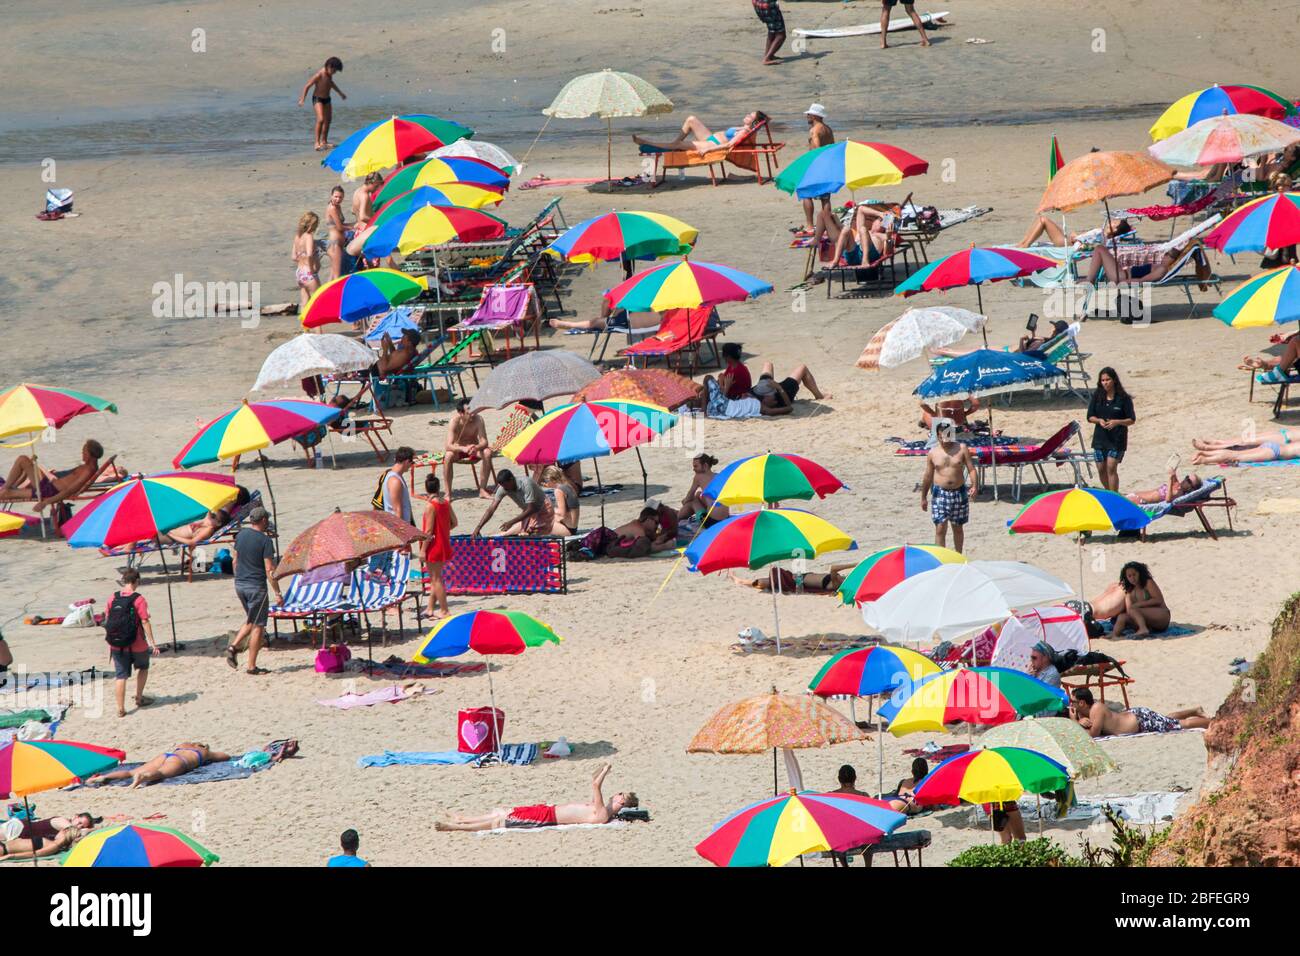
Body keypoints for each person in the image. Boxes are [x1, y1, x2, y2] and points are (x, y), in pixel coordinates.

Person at [435, 762, 637, 830]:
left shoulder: (602, 813)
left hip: (546, 818)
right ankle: (462, 819)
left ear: (621, 801)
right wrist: (600, 770)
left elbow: (595, 784)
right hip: (546, 810)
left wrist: (605, 772)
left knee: (501, 821)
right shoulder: (600, 809)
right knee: (504, 811)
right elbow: (593, 780)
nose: (615, 793)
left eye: (619, 794)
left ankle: (455, 827)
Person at [226, 506, 280, 675]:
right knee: (259, 625)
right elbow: (269, 570)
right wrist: (278, 592)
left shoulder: (241, 535)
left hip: (240, 584)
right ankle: (251, 666)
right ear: (263, 520)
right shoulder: (265, 541)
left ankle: (233, 647)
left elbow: (235, 561)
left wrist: (239, 578)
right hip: (256, 587)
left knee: (251, 619)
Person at [0, 440, 113, 519]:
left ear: (90, 454)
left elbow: (69, 490)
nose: (82, 454)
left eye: (84, 452)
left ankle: (5, 487)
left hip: (48, 491)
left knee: (22, 460)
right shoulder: (90, 468)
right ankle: (6, 487)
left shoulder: (88, 470)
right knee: (25, 463)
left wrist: (45, 502)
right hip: (49, 485)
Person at [104, 568, 160, 718]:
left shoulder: (112, 598)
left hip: (116, 644)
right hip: (137, 643)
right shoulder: (139, 599)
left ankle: (120, 709)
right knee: (143, 667)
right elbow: (145, 621)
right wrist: (153, 643)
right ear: (136, 581)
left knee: (121, 676)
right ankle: (139, 698)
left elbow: (108, 620)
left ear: (124, 581)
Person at [921, 418, 978, 552]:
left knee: (957, 527)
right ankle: (942, 559)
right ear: (938, 435)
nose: (945, 439)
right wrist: (923, 497)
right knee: (940, 527)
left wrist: (975, 486)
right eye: (942, 435)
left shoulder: (961, 448)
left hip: (959, 492)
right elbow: (928, 476)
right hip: (940, 493)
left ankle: (958, 556)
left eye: (948, 435)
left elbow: (971, 469)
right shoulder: (933, 453)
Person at [1069, 687, 1210, 738]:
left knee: (1179, 725)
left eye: (1073, 702)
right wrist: (1079, 720)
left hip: (1139, 721)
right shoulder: (1084, 711)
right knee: (1166, 720)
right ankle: (1194, 710)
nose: (1071, 705)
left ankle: (1214, 722)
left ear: (1082, 703)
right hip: (1135, 716)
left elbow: (1093, 734)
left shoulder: (1096, 709)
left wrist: (1075, 721)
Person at [86, 743, 232, 788]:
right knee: (161, 773)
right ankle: (143, 777)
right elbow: (226, 756)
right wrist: (209, 754)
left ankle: (104, 777)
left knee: (131, 771)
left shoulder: (184, 745)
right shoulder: (203, 752)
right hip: (180, 762)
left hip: (166, 755)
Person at [1086, 367, 1135, 492]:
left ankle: (1114, 496)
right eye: (1103, 380)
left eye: (1108, 380)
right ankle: (1110, 493)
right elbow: (1089, 416)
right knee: (1101, 469)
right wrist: (1099, 421)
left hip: (1117, 439)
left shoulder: (1123, 398)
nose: (1105, 383)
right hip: (1100, 438)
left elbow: (1131, 419)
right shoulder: (1097, 396)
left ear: (1114, 380)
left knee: (1111, 467)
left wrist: (1117, 422)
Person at [633, 111, 770, 154]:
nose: (746, 115)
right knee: (691, 119)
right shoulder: (743, 128)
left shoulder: (744, 132)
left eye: (749, 116)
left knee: (679, 145)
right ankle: (674, 144)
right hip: (711, 138)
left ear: (753, 122)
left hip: (710, 145)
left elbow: (728, 146)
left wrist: (708, 150)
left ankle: (646, 142)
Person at [473, 469, 555, 536]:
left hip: (543, 509)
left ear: (512, 479)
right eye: (503, 487)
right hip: (527, 512)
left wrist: (511, 522)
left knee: (537, 536)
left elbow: (532, 509)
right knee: (523, 535)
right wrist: (478, 527)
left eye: (506, 486)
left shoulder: (526, 483)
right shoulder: (503, 488)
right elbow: (491, 509)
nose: (505, 489)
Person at [420, 473, 456, 620]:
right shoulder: (446, 503)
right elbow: (454, 522)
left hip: (433, 546)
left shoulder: (430, 506)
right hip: (443, 543)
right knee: (435, 577)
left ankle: (444, 610)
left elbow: (428, 531)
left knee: (435, 579)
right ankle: (429, 608)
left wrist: (422, 550)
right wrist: (443, 531)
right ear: (439, 487)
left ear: (426, 489)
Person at [443, 399, 495, 499]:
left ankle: (482, 489)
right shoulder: (454, 422)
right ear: (460, 413)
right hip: (459, 450)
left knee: (487, 452)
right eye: (468, 413)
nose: (472, 414)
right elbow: (448, 445)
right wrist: (463, 448)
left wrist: (476, 447)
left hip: (474, 449)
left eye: (473, 411)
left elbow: (484, 441)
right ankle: (448, 493)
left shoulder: (478, 419)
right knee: (448, 455)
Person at [1105, 561, 1169, 637]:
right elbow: (1129, 611)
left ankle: (1143, 628)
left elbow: (1158, 600)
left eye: (1134, 575)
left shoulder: (1148, 583)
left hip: (1161, 616)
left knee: (1133, 609)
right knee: (1122, 616)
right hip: (1148, 620)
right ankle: (1114, 634)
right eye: (1129, 576)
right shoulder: (1129, 590)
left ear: (1140, 573)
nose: (1132, 578)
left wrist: (1138, 605)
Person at [798, 104, 835, 234]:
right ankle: (827, 224)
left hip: (816, 165)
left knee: (805, 193)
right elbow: (832, 147)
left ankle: (809, 226)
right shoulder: (828, 129)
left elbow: (817, 148)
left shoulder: (814, 130)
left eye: (808, 114)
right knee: (825, 198)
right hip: (827, 165)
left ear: (814, 116)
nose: (807, 117)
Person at [297, 56, 345, 151]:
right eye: (334, 70)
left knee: (328, 120)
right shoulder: (319, 74)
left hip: (327, 99)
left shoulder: (329, 74)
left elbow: (331, 83)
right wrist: (302, 99)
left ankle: (324, 142)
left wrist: (340, 93)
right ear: (329, 66)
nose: (335, 73)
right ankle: (316, 143)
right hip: (317, 99)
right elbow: (307, 86)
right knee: (321, 119)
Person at [729, 562, 856, 595]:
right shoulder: (839, 580)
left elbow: (833, 568)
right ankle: (742, 581)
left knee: (770, 581)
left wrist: (855, 565)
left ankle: (740, 581)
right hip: (799, 576)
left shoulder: (835, 584)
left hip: (796, 582)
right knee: (770, 580)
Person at [1017, 215, 1134, 249]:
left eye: (1115, 223)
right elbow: (1088, 241)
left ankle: (1025, 245)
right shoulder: (1104, 237)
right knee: (1043, 220)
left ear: (1115, 229)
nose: (1112, 221)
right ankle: (1023, 243)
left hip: (1065, 243)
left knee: (1043, 220)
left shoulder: (1099, 233)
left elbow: (1082, 241)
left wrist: (1075, 236)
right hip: (1068, 240)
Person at [1191, 429, 1300, 465]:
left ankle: (1207, 453)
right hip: (1275, 450)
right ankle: (1206, 457)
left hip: (1278, 444)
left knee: (1239, 450)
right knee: (1235, 455)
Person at [678, 453, 728, 526]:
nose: (693, 469)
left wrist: (684, 501)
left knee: (693, 501)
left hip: (710, 522)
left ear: (705, 466)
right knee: (699, 494)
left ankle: (677, 517)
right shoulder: (719, 476)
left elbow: (690, 495)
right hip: (725, 519)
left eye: (696, 466)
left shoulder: (699, 477)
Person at [751, 361, 830, 405]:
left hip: (763, 387)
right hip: (783, 391)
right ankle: (819, 396)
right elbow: (789, 407)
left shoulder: (750, 396)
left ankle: (767, 386)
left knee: (768, 364)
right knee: (803, 368)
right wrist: (779, 388)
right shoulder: (780, 400)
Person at [0, 822, 89, 861]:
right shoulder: (53, 843)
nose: (59, 831)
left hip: (3, 849)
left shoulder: (54, 846)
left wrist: (11, 856)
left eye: (61, 830)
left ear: (65, 832)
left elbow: (35, 854)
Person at [1126, 466, 1202, 505]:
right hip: (1136, 496)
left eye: (1188, 480)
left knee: (1116, 506)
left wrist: (1169, 480)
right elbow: (1172, 473)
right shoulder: (1177, 485)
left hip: (1141, 502)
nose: (1185, 480)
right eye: (1186, 477)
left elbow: (1168, 500)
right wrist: (1173, 468)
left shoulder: (1179, 493)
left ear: (1191, 488)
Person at [293, 212, 321, 313]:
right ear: (311, 225)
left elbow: (294, 257)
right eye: (316, 225)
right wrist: (311, 268)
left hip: (299, 272)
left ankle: (305, 327)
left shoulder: (298, 237)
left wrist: (302, 258)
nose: (316, 227)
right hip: (309, 273)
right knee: (318, 299)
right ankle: (317, 326)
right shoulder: (308, 236)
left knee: (305, 302)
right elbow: (309, 254)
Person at [325, 185, 354, 280]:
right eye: (335, 196)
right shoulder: (332, 208)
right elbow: (340, 227)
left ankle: (326, 293)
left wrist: (355, 224)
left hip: (338, 243)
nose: (338, 199)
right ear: (331, 196)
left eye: (340, 197)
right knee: (337, 276)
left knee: (333, 273)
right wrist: (353, 228)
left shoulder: (338, 206)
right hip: (334, 244)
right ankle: (330, 294)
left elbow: (341, 223)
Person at [540, 465, 580, 535]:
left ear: (551, 479)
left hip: (567, 529)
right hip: (573, 527)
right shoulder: (568, 485)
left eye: (546, 480)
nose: (545, 483)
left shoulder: (558, 490)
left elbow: (562, 514)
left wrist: (549, 510)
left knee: (537, 525)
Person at [381, 446, 416, 523]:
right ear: (407, 462)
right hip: (399, 527)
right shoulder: (395, 481)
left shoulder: (395, 476)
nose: (412, 465)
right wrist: (401, 532)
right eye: (412, 462)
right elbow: (397, 510)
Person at [164, 508, 230, 546]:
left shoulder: (208, 529)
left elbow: (192, 542)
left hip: (169, 537)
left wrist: (170, 534)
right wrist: (199, 523)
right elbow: (208, 511)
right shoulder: (205, 523)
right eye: (210, 513)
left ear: (218, 523)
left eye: (212, 516)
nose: (209, 515)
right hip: (168, 529)